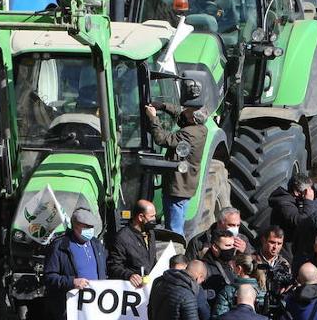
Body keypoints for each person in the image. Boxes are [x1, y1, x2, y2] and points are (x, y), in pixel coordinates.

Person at [43, 207, 107, 320]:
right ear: (75, 226)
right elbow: (49, 277)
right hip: (70, 310)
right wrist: (72, 282)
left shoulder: (96, 244)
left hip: (95, 307)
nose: (89, 230)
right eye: (85, 226)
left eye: (91, 226)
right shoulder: (60, 246)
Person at [148, 104, 209, 234]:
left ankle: (176, 251)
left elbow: (161, 139)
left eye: (185, 116)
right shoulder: (201, 129)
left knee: (174, 230)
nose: (181, 116)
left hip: (178, 187)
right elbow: (181, 113)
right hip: (186, 187)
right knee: (178, 223)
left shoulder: (188, 134)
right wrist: (163, 106)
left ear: (192, 120)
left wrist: (153, 118)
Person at [108, 200, 158, 287]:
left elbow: (152, 259)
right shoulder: (122, 237)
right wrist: (129, 275)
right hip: (132, 288)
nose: (154, 219)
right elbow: (113, 266)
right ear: (140, 217)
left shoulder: (150, 232)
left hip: (149, 286)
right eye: (151, 216)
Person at [270, 173, 317, 243]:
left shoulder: (294, 202)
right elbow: (301, 222)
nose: (309, 193)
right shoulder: (284, 205)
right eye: (306, 191)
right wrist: (308, 201)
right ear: (296, 192)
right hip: (285, 247)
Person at [185, 207, 252, 260]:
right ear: (219, 223)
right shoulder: (200, 241)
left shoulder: (243, 240)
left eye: (238, 225)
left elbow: (251, 267)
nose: (235, 229)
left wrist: (245, 252)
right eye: (231, 225)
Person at [255, 226, 294, 297]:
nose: (275, 247)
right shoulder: (252, 260)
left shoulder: (285, 264)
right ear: (263, 240)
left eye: (279, 243)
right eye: (272, 242)